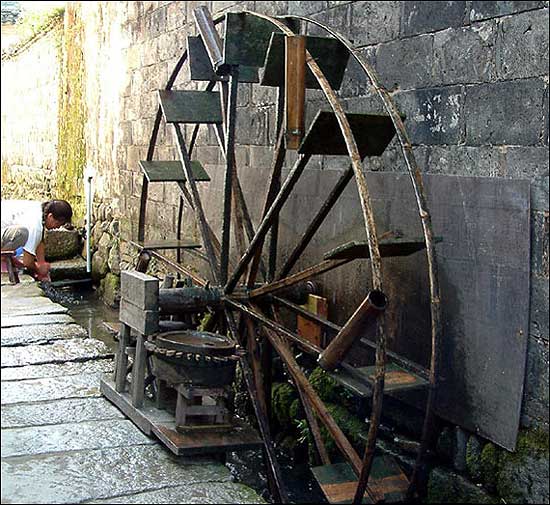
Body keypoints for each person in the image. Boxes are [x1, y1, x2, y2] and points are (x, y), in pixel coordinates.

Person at [1, 199, 73, 281]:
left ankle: (4, 257)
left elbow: (39, 240)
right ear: (50, 216)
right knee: (21, 233)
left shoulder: (39, 210)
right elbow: (27, 262)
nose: (57, 227)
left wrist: (42, 263)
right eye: (58, 223)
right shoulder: (35, 226)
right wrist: (38, 270)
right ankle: (3, 257)